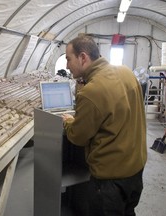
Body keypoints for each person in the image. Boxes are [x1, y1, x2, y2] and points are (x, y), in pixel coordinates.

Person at [62, 35, 147, 216]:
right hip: (135, 171)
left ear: (83, 57)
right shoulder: (126, 73)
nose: (67, 65)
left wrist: (69, 121)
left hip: (110, 182)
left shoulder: (92, 92)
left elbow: (78, 136)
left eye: (68, 59)